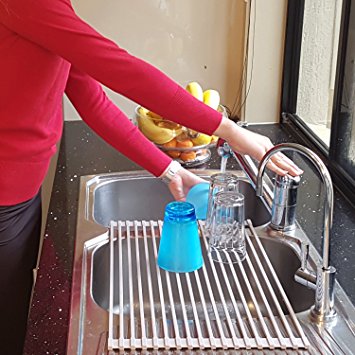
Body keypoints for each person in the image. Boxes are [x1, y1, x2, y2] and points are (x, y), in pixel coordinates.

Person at [0, 0, 303, 353]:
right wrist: (230, 132)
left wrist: (167, 167)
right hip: (6, 197)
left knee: (13, 309)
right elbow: (122, 69)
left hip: (20, 195)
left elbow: (91, 100)